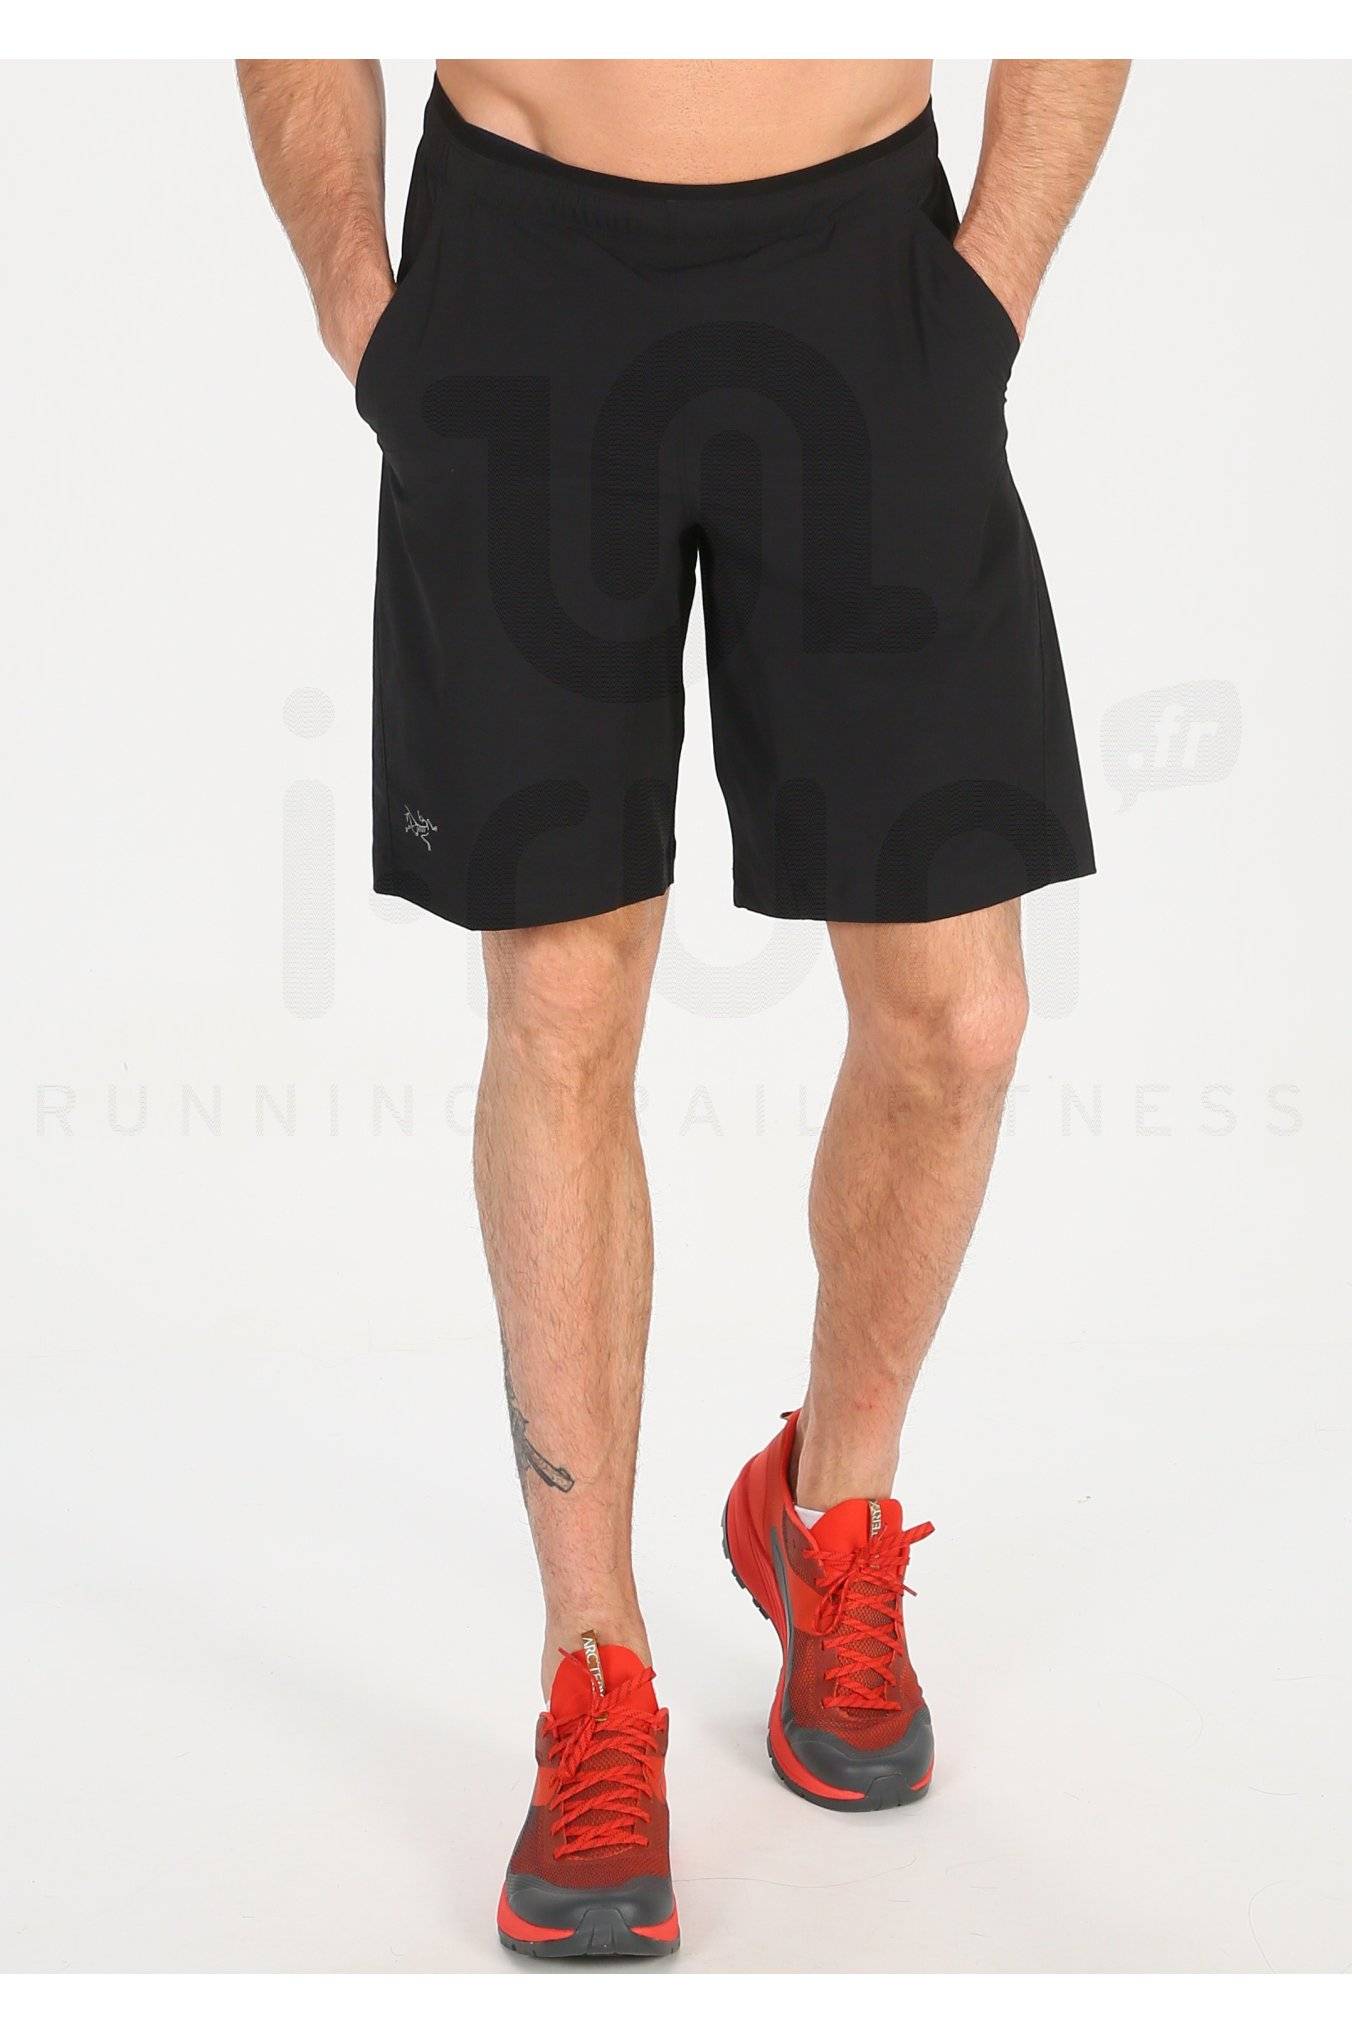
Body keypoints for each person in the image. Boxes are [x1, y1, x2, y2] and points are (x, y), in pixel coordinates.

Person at [238, 57, 1129, 1960]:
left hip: (868, 283)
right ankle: (595, 1670)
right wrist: (359, 297)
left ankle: (830, 1516)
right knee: (564, 998)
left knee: (959, 1014)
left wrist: (987, 289)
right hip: (521, 286)